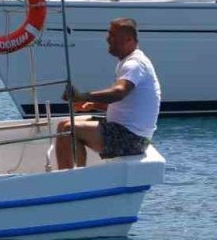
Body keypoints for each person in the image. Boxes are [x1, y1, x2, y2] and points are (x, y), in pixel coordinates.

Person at [55, 18, 161, 169]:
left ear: (128, 39)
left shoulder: (135, 64)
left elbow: (119, 92)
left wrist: (82, 96)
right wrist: (93, 104)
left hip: (132, 139)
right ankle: (75, 174)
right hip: (126, 131)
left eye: (112, 35)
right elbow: (127, 104)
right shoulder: (127, 62)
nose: (107, 39)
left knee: (67, 129)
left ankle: (70, 181)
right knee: (64, 124)